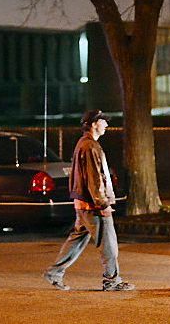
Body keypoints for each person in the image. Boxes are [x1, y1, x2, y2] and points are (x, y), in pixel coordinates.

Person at [43, 109, 135, 292]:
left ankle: (54, 273)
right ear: (94, 124)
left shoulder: (83, 144)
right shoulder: (91, 146)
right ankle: (112, 280)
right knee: (109, 244)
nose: (107, 125)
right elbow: (95, 178)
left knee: (76, 240)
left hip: (83, 204)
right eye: (103, 122)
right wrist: (103, 204)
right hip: (93, 206)